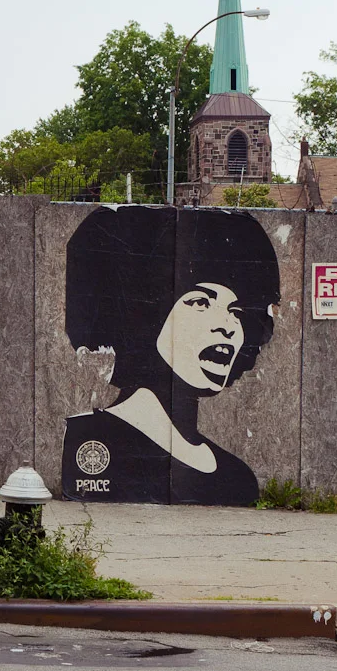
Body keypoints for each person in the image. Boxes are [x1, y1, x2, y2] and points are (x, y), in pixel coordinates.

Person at [61, 206, 280, 506]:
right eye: (201, 302)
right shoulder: (90, 437)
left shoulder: (236, 477)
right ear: (146, 314)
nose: (227, 326)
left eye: (236, 311)